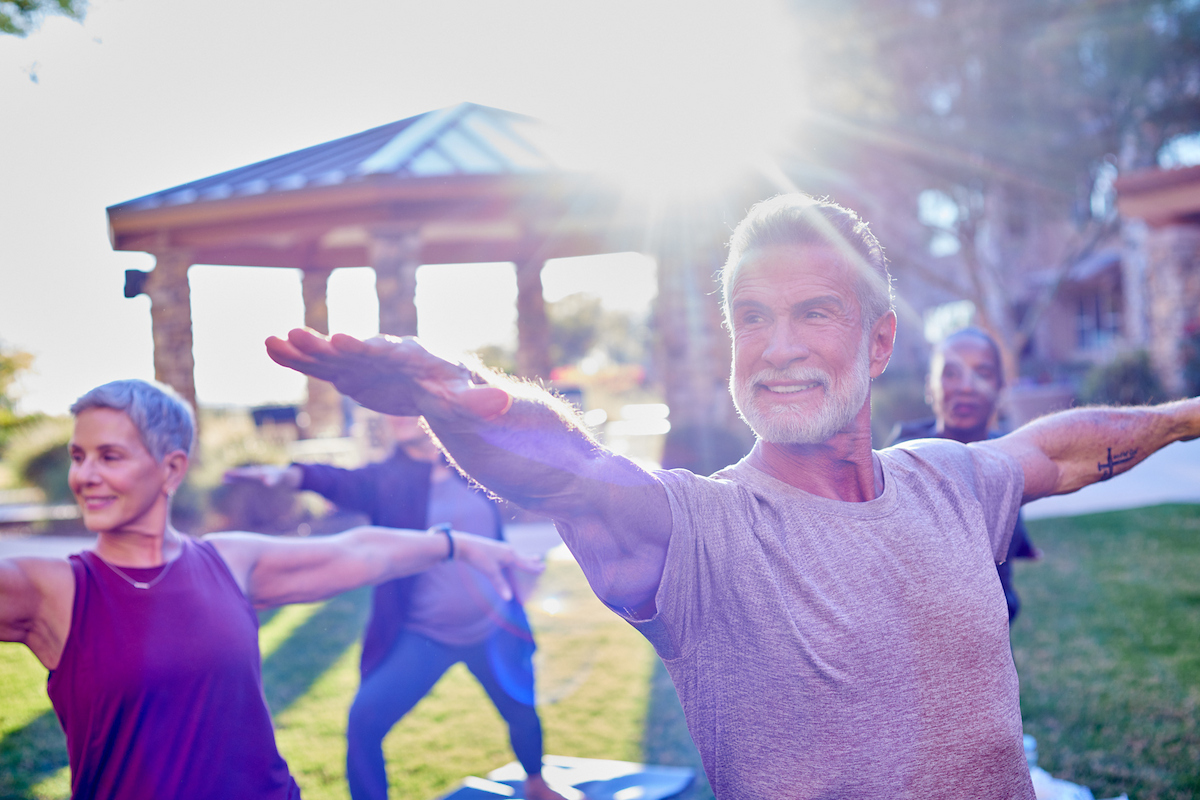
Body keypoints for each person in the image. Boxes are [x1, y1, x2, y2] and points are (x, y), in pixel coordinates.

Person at [265, 193, 1200, 799]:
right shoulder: (699, 530)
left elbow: (1060, 451)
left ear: (878, 345)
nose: (777, 346)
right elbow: (571, 474)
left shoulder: (947, 479)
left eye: (813, 312)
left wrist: (1189, 415)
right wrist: (459, 404)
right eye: (751, 317)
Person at [0, 379, 540, 800]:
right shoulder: (52, 590)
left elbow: (359, 550)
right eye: (78, 456)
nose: (85, 475)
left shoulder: (227, 561)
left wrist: (459, 546)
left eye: (109, 456)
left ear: (171, 470)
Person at [225, 416, 568, 800]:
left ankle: (536, 783)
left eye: (405, 404)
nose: (396, 415)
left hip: (493, 628)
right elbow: (336, 481)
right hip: (426, 637)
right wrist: (290, 476)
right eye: (390, 410)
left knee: (521, 708)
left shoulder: (473, 466)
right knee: (364, 722)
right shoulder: (385, 480)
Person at [888, 326, 1040, 622]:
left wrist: (1023, 545)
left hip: (994, 627)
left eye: (982, 373)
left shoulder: (1009, 455)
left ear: (1001, 387)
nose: (967, 386)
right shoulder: (901, 457)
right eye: (951, 373)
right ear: (930, 386)